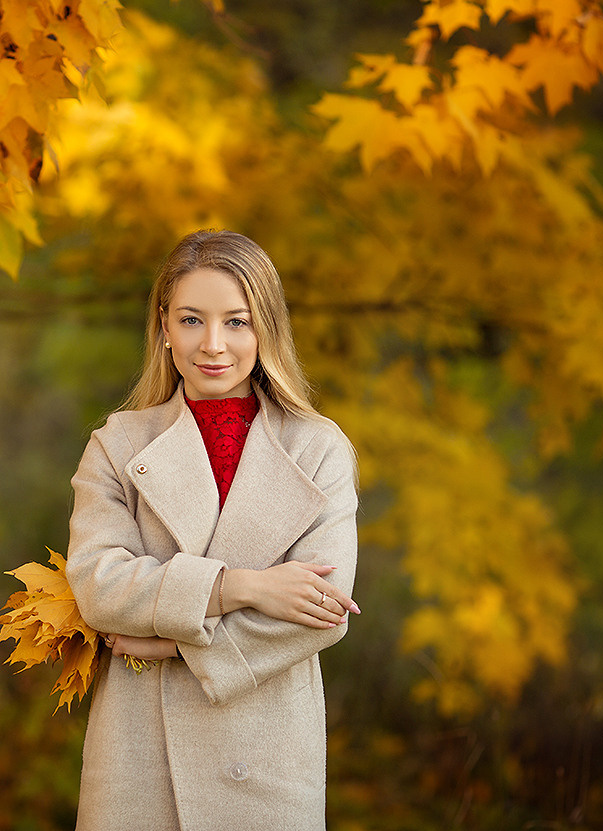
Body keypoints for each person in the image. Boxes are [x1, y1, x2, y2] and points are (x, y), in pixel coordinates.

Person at [65, 230, 360, 831]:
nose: (213, 344)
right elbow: (99, 585)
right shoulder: (117, 445)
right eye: (192, 320)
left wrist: (172, 645)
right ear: (164, 327)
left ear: (266, 329)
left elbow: (323, 610)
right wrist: (242, 587)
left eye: (237, 322)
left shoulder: (318, 448)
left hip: (268, 754)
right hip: (139, 759)